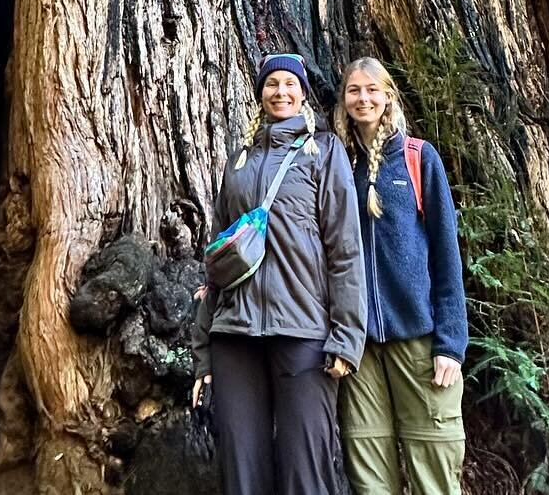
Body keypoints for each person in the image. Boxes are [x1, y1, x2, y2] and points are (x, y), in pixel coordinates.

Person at [192, 52, 366, 495]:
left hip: (304, 332)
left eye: (290, 83)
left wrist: (346, 337)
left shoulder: (324, 153)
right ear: (260, 93)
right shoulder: (239, 161)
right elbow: (217, 260)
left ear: (303, 93)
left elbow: (345, 251)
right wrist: (204, 353)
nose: (281, 91)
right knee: (241, 471)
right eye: (272, 84)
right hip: (235, 334)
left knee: (304, 469)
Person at [335, 56, 468, 495]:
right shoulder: (338, 165)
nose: (363, 98)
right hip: (361, 349)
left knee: (434, 468)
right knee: (370, 478)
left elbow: (447, 256)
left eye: (372, 89)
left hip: (419, 340)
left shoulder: (417, 158)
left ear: (388, 95)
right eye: (354, 90)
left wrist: (451, 342)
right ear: (344, 99)